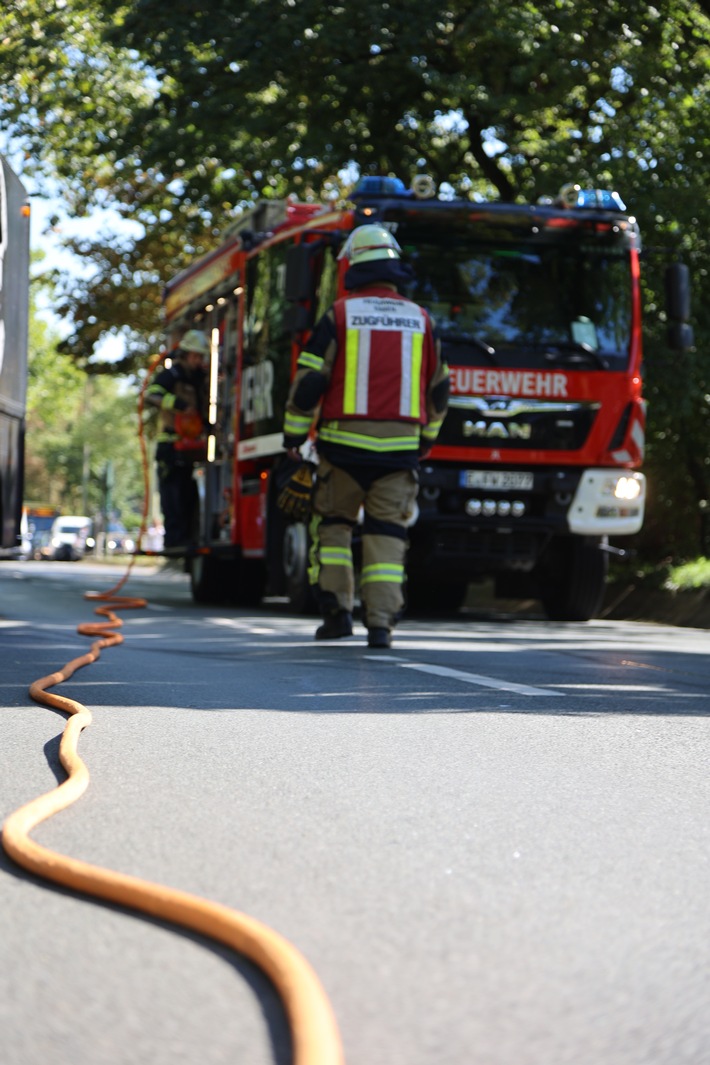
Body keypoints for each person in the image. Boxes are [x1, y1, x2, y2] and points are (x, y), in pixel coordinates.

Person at [282, 223, 449, 648]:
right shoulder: (422, 320)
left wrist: (294, 438)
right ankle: (381, 625)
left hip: (342, 450)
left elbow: (309, 384)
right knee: (387, 536)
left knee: (335, 528)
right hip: (399, 453)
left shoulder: (339, 315)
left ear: (353, 268)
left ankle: (336, 615)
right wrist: (425, 439)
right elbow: (440, 389)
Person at [145, 329, 209, 549]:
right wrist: (179, 405)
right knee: (171, 494)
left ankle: (186, 537)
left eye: (201, 357)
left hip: (190, 447)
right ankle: (173, 539)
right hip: (170, 446)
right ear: (186, 354)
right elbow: (152, 393)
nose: (199, 361)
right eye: (196, 356)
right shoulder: (172, 375)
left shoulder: (199, 378)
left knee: (188, 494)